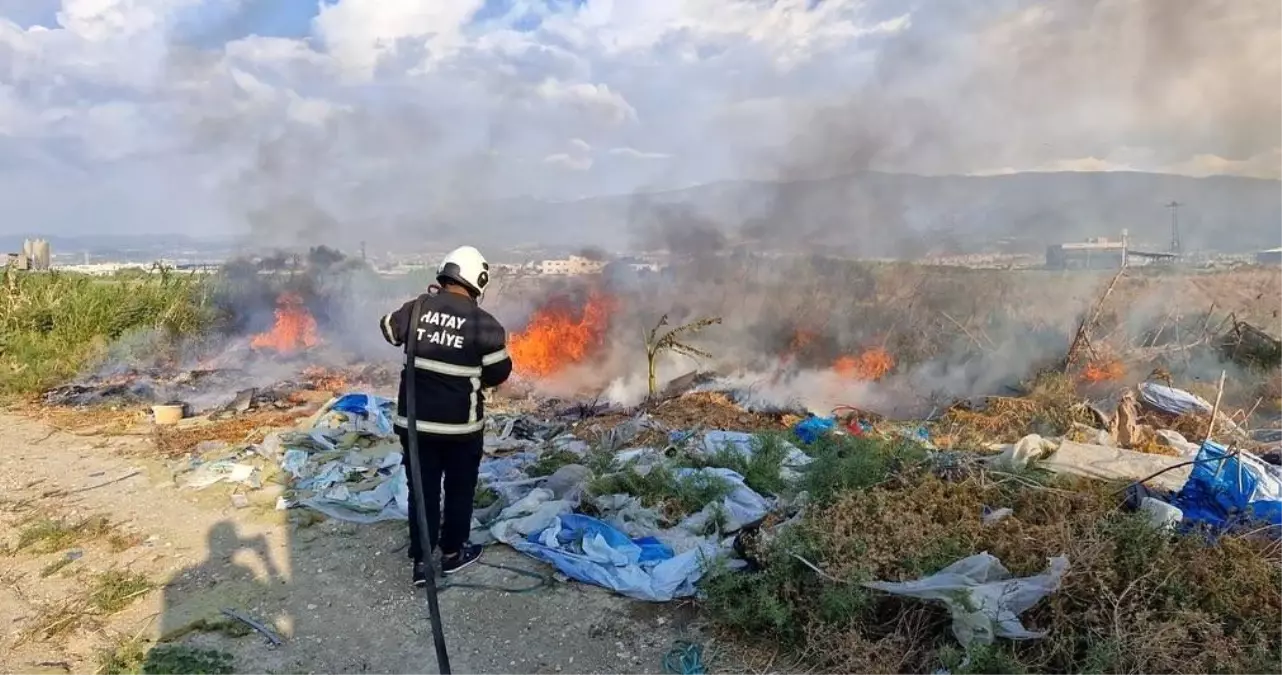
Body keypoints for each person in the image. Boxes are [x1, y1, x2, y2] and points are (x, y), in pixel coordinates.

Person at [379, 245, 512, 585]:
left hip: (415, 426)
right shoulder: (485, 324)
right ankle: (452, 554)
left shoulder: (418, 308)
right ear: (476, 281)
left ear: (446, 273)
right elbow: (498, 374)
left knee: (421, 490)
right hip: (461, 429)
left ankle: (422, 563)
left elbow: (388, 330)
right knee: (459, 489)